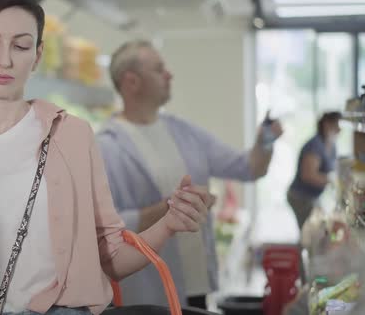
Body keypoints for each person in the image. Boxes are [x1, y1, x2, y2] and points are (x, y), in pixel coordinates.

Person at [0, 0, 214, 315]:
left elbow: (111, 257)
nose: (5, 59)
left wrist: (169, 223)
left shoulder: (72, 136)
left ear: (37, 55)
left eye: (21, 45)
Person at [96, 40, 284, 309]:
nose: (169, 74)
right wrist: (171, 209)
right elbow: (106, 229)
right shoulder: (106, 147)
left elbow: (249, 168)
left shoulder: (183, 132)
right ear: (131, 82)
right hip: (151, 292)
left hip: (196, 285)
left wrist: (265, 142)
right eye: (159, 69)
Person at [288, 111, 341, 230]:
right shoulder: (315, 145)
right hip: (300, 197)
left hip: (312, 197)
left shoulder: (331, 144)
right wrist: (332, 180)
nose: (339, 129)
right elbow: (308, 175)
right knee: (310, 233)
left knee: (318, 230)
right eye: (337, 124)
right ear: (327, 124)